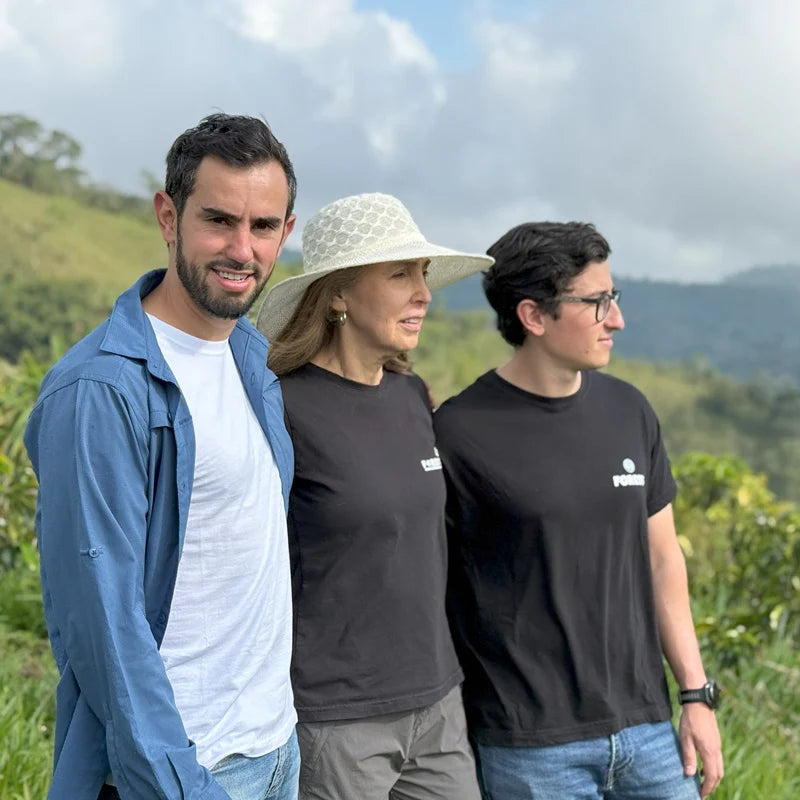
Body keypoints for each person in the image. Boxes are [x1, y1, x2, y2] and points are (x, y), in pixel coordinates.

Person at [24, 114, 299, 800]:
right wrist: (178, 782)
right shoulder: (99, 389)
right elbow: (102, 631)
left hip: (274, 748)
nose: (242, 248)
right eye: (219, 221)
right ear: (168, 217)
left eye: (263, 226)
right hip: (184, 772)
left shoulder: (251, 359)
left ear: (285, 233)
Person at [433, 222, 724, 800]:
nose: (616, 320)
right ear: (533, 317)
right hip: (530, 748)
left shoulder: (629, 410)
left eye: (612, 299)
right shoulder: (458, 433)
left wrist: (695, 696)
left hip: (648, 732)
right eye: (596, 303)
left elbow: (664, 562)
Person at [255, 192, 493, 800]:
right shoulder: (280, 405)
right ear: (336, 293)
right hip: (336, 718)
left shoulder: (412, 396)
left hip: (437, 702)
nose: (423, 293)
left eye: (422, 274)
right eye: (399, 275)